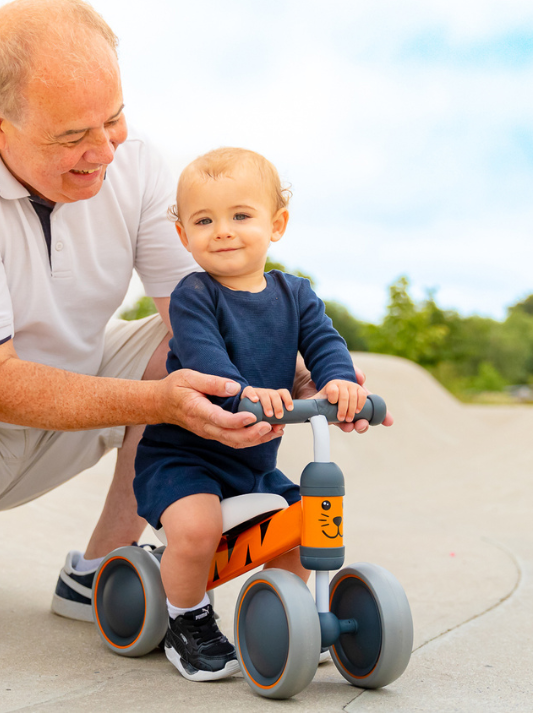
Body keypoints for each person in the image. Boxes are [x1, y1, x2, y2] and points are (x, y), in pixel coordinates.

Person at [0, 0, 385, 644]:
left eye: (112, 118)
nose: (104, 151)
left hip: (67, 400)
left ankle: (103, 571)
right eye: (72, 136)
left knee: (189, 341)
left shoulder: (136, 160)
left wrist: (312, 376)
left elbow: (209, 313)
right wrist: (161, 402)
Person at [133, 147, 368, 682]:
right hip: (184, 458)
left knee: (304, 527)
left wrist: (338, 381)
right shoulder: (195, 295)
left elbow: (324, 343)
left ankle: (283, 617)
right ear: (182, 235)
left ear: (276, 224)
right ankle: (186, 621)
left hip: (253, 464)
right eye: (203, 220)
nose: (222, 231)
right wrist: (243, 391)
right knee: (196, 530)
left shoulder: (296, 294)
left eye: (240, 215)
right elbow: (203, 357)